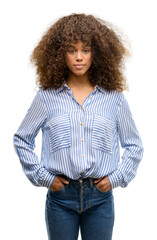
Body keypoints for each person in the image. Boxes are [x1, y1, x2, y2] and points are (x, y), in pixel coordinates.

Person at [13, 13, 144, 240]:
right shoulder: (46, 98)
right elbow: (22, 139)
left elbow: (134, 145)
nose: (79, 57)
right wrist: (43, 177)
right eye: (71, 50)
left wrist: (117, 178)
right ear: (59, 54)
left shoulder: (113, 98)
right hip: (61, 198)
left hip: (100, 199)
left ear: (98, 53)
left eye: (85, 49)